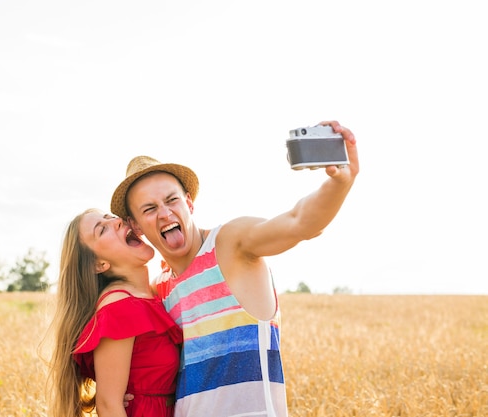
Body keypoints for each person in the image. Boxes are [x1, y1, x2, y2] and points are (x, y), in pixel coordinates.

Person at [110, 120, 359, 417]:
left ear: (189, 203)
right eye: (149, 209)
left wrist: (340, 182)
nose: (165, 214)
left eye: (172, 200)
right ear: (136, 226)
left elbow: (299, 222)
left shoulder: (230, 244)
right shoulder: (160, 287)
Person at [44, 208, 183, 417]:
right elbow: (109, 405)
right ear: (98, 264)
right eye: (102, 229)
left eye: (110, 217)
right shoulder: (120, 308)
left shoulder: (153, 293)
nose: (117, 221)